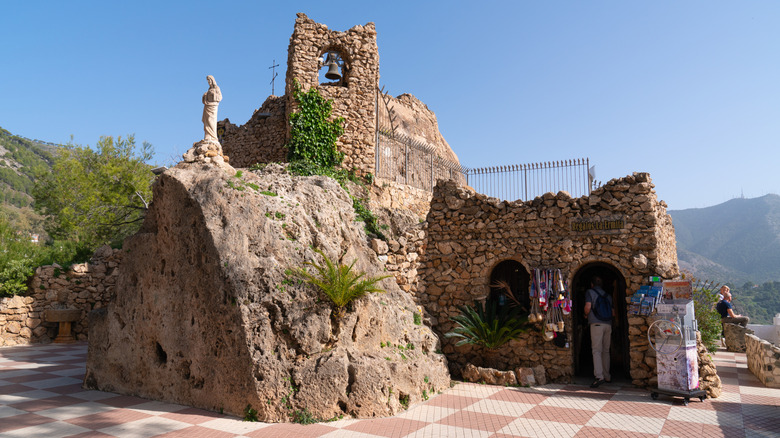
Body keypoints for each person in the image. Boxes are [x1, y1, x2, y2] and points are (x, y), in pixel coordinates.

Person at [584, 276, 612, 388]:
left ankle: (599, 376)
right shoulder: (608, 295)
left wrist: (586, 315)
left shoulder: (590, 292)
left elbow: (588, 306)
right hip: (608, 324)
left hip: (596, 324)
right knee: (606, 350)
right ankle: (607, 376)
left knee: (596, 351)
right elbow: (613, 311)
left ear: (592, 284)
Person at [202, 75, 222, 142]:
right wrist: (204, 96)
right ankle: (208, 135)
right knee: (206, 120)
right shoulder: (209, 90)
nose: (208, 82)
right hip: (207, 106)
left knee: (211, 121)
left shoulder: (216, 88)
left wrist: (214, 95)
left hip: (213, 106)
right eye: (207, 80)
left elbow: (220, 97)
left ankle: (213, 136)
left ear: (212, 80)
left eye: (209, 80)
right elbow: (204, 101)